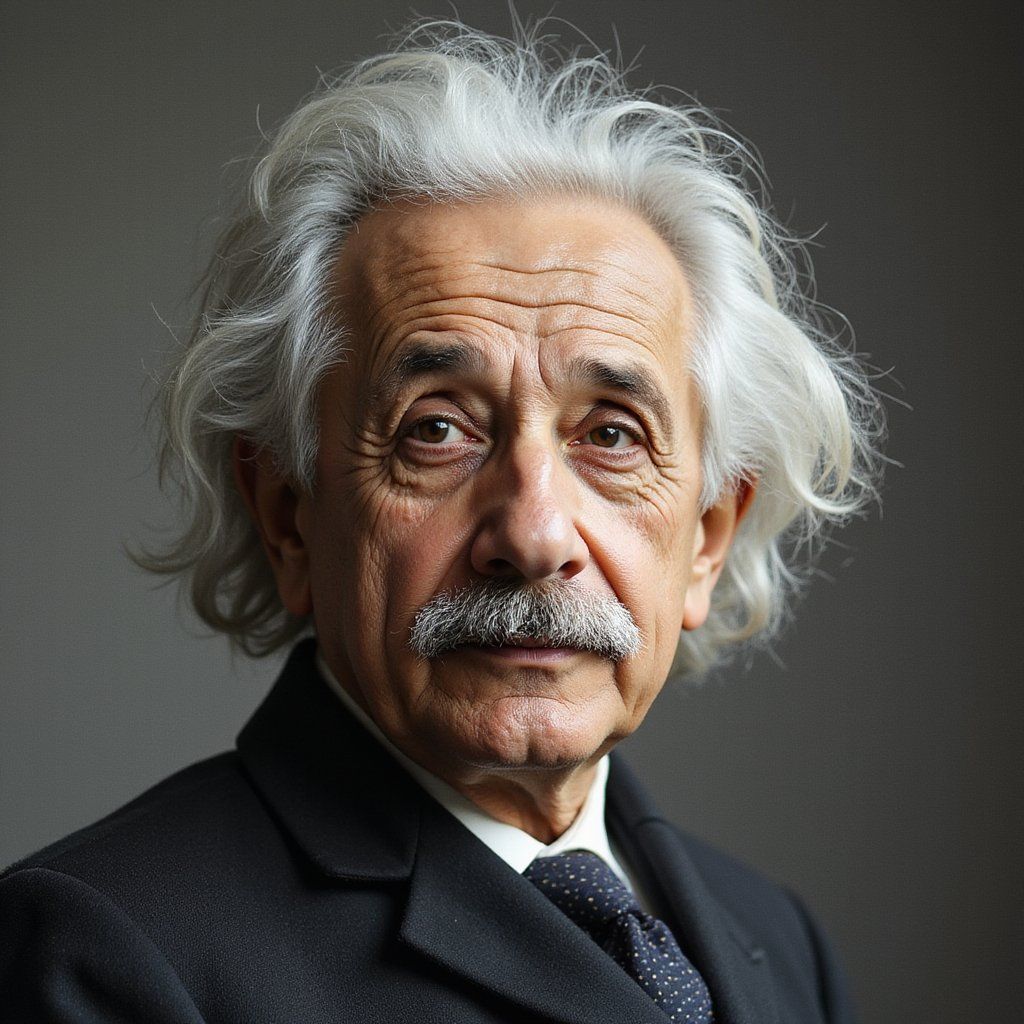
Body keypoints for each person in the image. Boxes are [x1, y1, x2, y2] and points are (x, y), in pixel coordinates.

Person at [0, 20, 883, 1024]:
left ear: (709, 537)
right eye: (436, 430)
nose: (536, 533)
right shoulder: (103, 952)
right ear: (287, 513)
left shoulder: (775, 939)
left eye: (610, 434)